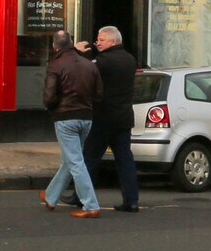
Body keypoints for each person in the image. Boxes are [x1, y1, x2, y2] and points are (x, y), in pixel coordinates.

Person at [41, 27, 102, 217]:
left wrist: (51, 108)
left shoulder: (56, 65)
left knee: (75, 161)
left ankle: (91, 205)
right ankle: (51, 197)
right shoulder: (89, 65)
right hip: (86, 117)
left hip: (65, 117)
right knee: (71, 159)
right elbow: (99, 94)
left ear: (54, 46)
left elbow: (49, 96)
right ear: (71, 43)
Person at [83, 25, 140, 212]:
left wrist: (78, 53)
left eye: (101, 40)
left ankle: (82, 196)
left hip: (103, 117)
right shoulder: (130, 60)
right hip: (123, 118)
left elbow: (85, 72)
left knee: (90, 158)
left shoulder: (103, 61)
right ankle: (131, 200)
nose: (97, 43)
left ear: (113, 41)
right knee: (125, 159)